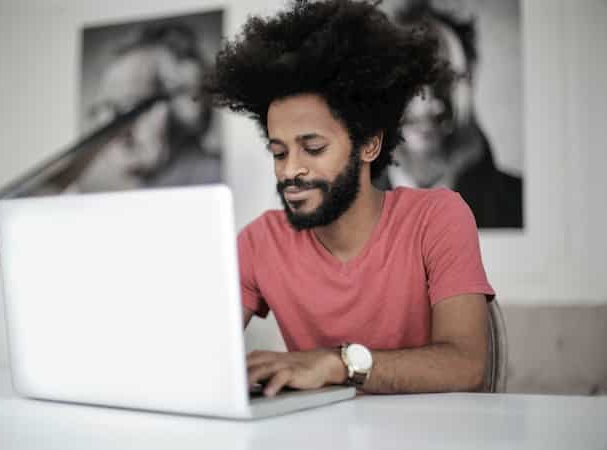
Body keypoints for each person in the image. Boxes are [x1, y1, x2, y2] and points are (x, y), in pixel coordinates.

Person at [206, 0, 495, 397]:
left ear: (369, 144)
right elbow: (201, 355)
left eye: (312, 147)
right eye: (278, 152)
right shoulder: (260, 242)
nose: (290, 170)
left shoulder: (437, 217)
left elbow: (467, 366)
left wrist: (338, 363)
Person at [373, 1, 523, 228]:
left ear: (471, 84)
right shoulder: (337, 216)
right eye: (408, 81)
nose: (428, 103)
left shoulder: (520, 204)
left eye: (447, 79)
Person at [77, 23, 221, 192]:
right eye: (103, 108)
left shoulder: (215, 181)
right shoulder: (141, 194)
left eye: (129, 106)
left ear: (186, 109)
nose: (110, 123)